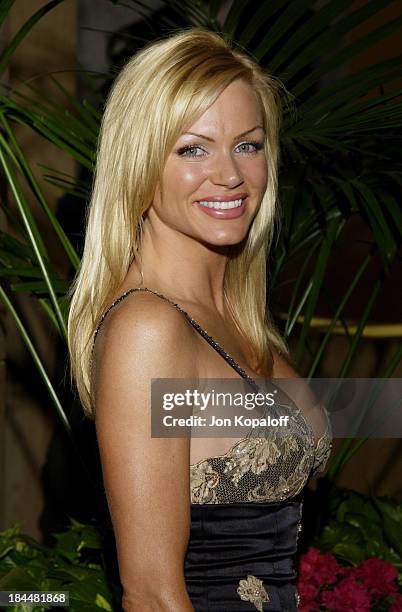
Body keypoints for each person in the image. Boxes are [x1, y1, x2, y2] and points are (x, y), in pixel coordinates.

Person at [67, 27, 333, 611]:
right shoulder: (148, 329)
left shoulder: (234, 317)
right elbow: (155, 593)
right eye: (193, 148)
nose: (230, 175)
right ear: (140, 160)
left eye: (248, 144)